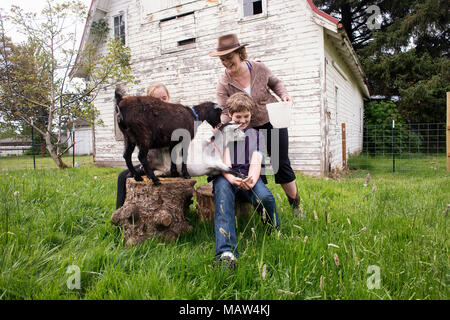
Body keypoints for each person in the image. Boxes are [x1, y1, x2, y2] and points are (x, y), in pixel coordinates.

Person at [209, 33, 301, 213]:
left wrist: (284, 95)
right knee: (255, 166)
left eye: (230, 57)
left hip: (272, 121)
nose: (227, 62)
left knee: (280, 164)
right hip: (245, 127)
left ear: (240, 53)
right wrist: (222, 127)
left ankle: (296, 207)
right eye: (223, 59)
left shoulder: (259, 68)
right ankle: (261, 207)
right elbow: (224, 110)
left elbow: (276, 83)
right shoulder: (224, 82)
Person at [213, 92, 280, 265]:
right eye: (238, 117)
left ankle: (274, 229)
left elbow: (257, 160)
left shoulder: (256, 135)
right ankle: (226, 252)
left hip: (249, 175)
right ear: (230, 115)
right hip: (225, 175)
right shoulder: (223, 132)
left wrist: (250, 180)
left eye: (246, 116)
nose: (242, 120)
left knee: (264, 197)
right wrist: (231, 177)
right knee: (222, 195)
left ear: (251, 114)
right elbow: (223, 160)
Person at [116, 82, 171, 209]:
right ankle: (120, 212)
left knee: (129, 176)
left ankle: (130, 210)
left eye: (164, 98)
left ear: (169, 97)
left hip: (166, 164)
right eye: (157, 100)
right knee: (121, 176)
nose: (162, 102)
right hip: (154, 162)